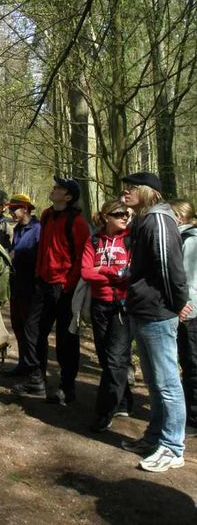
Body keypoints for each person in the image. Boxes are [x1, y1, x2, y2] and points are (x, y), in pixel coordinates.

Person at [120, 172, 190, 472]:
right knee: (153, 381)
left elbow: (169, 266)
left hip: (159, 313)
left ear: (148, 192)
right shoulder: (144, 220)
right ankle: (155, 437)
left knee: (167, 383)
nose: (125, 193)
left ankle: (173, 447)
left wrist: (178, 303)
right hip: (142, 310)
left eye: (131, 188)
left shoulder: (159, 221)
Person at [12, 176, 90, 404]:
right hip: (42, 284)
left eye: (58, 188)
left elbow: (82, 257)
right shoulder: (46, 215)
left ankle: (67, 386)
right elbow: (43, 248)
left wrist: (69, 285)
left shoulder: (77, 222)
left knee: (66, 340)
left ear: (68, 196)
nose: (53, 189)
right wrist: (38, 273)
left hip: (64, 288)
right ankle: (37, 379)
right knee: (33, 331)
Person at [81, 199, 133, 432]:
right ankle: (124, 399)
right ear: (106, 217)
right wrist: (113, 273)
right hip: (99, 304)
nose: (125, 217)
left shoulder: (131, 239)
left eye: (127, 214)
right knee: (106, 358)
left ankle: (104, 412)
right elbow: (85, 272)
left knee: (115, 360)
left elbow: (129, 274)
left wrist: (101, 269)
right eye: (120, 214)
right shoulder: (93, 240)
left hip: (123, 306)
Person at [168, 199, 197, 433]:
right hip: (183, 308)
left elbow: (186, 279)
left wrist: (182, 305)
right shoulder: (181, 238)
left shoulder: (190, 240)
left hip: (189, 310)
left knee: (191, 361)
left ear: (179, 217)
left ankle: (194, 416)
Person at [4, 193, 40, 376]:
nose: (10, 212)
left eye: (13, 209)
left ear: (25, 209)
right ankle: (23, 363)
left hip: (31, 288)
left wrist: (18, 256)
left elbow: (39, 257)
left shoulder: (38, 229)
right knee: (17, 326)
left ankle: (34, 369)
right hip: (16, 286)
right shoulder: (17, 229)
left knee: (30, 329)